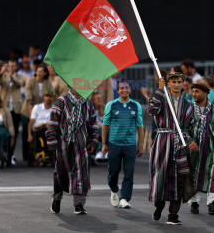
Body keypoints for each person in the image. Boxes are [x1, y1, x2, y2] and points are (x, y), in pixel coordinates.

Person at [148, 73, 198, 225]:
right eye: (173, 82)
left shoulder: (188, 105)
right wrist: (159, 89)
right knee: (162, 179)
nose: (176, 84)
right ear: (168, 84)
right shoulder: (162, 99)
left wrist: (190, 141)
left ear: (183, 84)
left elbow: (187, 128)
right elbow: (152, 110)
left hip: (181, 145)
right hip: (162, 143)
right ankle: (159, 206)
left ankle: (173, 215)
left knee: (180, 179)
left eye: (179, 82)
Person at [46, 88, 100, 215]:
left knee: (81, 173)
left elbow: (93, 125)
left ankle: (79, 204)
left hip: (81, 145)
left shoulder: (88, 104)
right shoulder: (61, 102)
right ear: (72, 86)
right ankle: (57, 198)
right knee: (60, 173)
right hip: (63, 144)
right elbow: (53, 123)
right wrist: (52, 143)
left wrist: (93, 141)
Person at [102, 80, 144, 209]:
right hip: (114, 144)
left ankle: (125, 198)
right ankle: (114, 190)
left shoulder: (136, 105)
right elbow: (105, 125)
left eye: (127, 87)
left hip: (130, 144)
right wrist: (104, 143)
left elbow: (140, 126)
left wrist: (141, 145)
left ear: (130, 89)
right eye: (122, 88)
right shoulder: (111, 105)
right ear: (118, 90)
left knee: (129, 172)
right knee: (113, 171)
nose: (124, 90)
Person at [188, 83, 214, 215]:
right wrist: (190, 141)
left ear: (205, 93)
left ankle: (212, 203)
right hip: (193, 149)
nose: (194, 94)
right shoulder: (189, 109)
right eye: (193, 91)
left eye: (197, 91)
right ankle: (194, 202)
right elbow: (184, 129)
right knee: (192, 175)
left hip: (211, 149)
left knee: (212, 175)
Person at [0, 60, 24, 166]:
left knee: (14, 133)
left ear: (16, 67)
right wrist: (1, 72)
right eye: (9, 66)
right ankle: (1, 152)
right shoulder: (3, 76)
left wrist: (12, 76)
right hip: (4, 108)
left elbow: (20, 84)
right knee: (2, 130)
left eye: (13, 66)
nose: (11, 68)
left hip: (15, 108)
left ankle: (10, 156)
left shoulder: (19, 76)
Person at [21, 63, 53, 164]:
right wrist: (33, 114)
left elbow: (50, 94)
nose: (38, 73)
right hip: (29, 110)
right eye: (37, 71)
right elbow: (28, 98)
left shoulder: (48, 82)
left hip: (44, 109)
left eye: (41, 71)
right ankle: (27, 156)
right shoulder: (31, 81)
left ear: (44, 73)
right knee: (27, 133)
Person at [27, 90, 55, 164]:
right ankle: (47, 152)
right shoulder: (37, 107)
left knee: (48, 131)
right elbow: (31, 122)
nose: (49, 98)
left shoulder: (55, 109)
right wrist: (29, 135)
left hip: (50, 130)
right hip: (37, 129)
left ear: (54, 99)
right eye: (47, 96)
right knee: (44, 130)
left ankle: (48, 153)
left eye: (51, 97)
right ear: (44, 97)